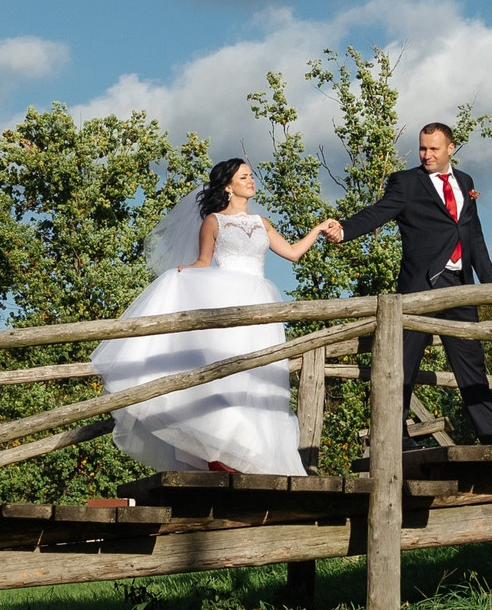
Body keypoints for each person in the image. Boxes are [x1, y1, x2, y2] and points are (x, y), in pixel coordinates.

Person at [92, 158, 336, 476]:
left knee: (261, 378)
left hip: (261, 304)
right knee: (228, 372)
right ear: (227, 186)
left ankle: (257, 456)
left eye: (251, 175)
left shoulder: (263, 223)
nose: (251, 180)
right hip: (227, 301)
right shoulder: (214, 221)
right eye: (243, 176)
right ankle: (221, 452)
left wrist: (318, 229)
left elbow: (292, 253)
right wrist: (179, 274)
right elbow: (203, 263)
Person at [323, 122, 492, 441]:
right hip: (420, 286)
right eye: (423, 148)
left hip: (460, 287)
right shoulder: (406, 183)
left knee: (472, 364)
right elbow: (378, 212)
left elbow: (473, 235)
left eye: (434, 148)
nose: (426, 154)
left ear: (451, 149)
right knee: (403, 365)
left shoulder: (466, 182)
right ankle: (394, 434)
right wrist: (344, 230)